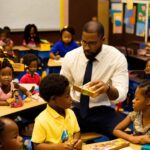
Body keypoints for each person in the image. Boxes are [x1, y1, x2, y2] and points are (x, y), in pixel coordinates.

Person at [60, 21, 129, 139]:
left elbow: (121, 94)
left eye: (92, 43)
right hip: (74, 109)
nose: (86, 47)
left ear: (103, 40)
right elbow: (62, 85)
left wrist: (108, 88)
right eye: (84, 42)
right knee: (51, 134)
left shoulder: (116, 58)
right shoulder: (71, 56)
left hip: (102, 111)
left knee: (125, 135)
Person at [32, 74, 82, 150]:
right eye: (67, 96)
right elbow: (37, 146)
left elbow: (76, 132)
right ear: (53, 99)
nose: (71, 99)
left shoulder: (70, 113)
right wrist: (58, 147)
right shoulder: (41, 120)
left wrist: (76, 141)